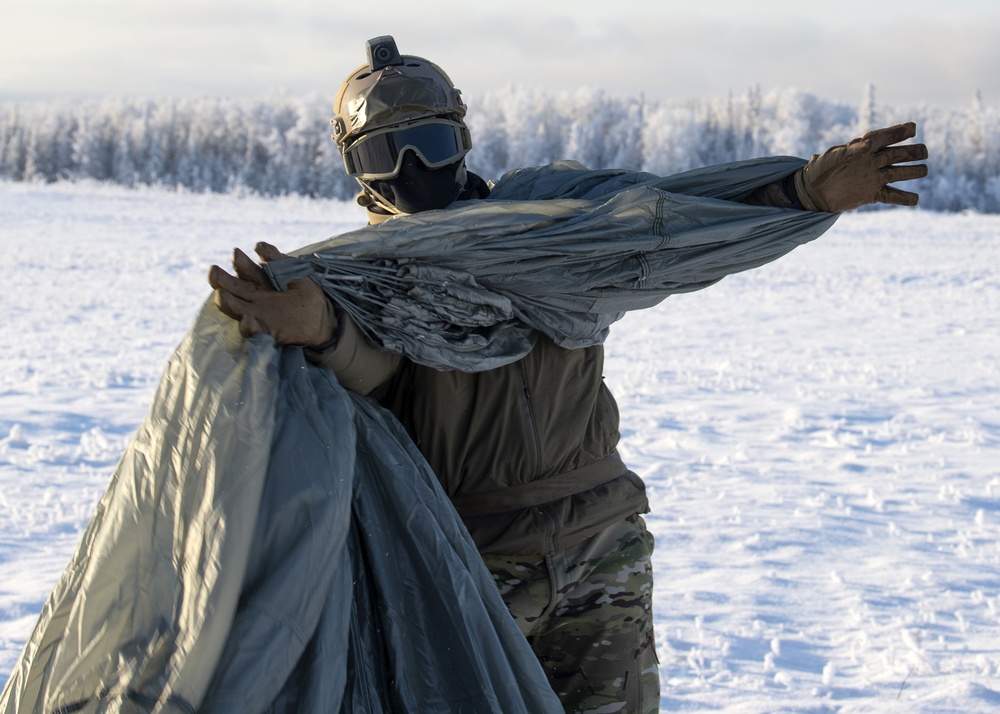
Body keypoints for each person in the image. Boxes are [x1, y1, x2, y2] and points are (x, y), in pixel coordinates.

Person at [208, 35, 928, 713]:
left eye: (427, 145)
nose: (411, 173)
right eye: (384, 157)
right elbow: (374, 375)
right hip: (473, 568)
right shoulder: (364, 278)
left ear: (460, 140)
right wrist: (325, 330)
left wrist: (800, 193)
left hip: (602, 542)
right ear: (354, 167)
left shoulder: (555, 225)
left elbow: (670, 223)